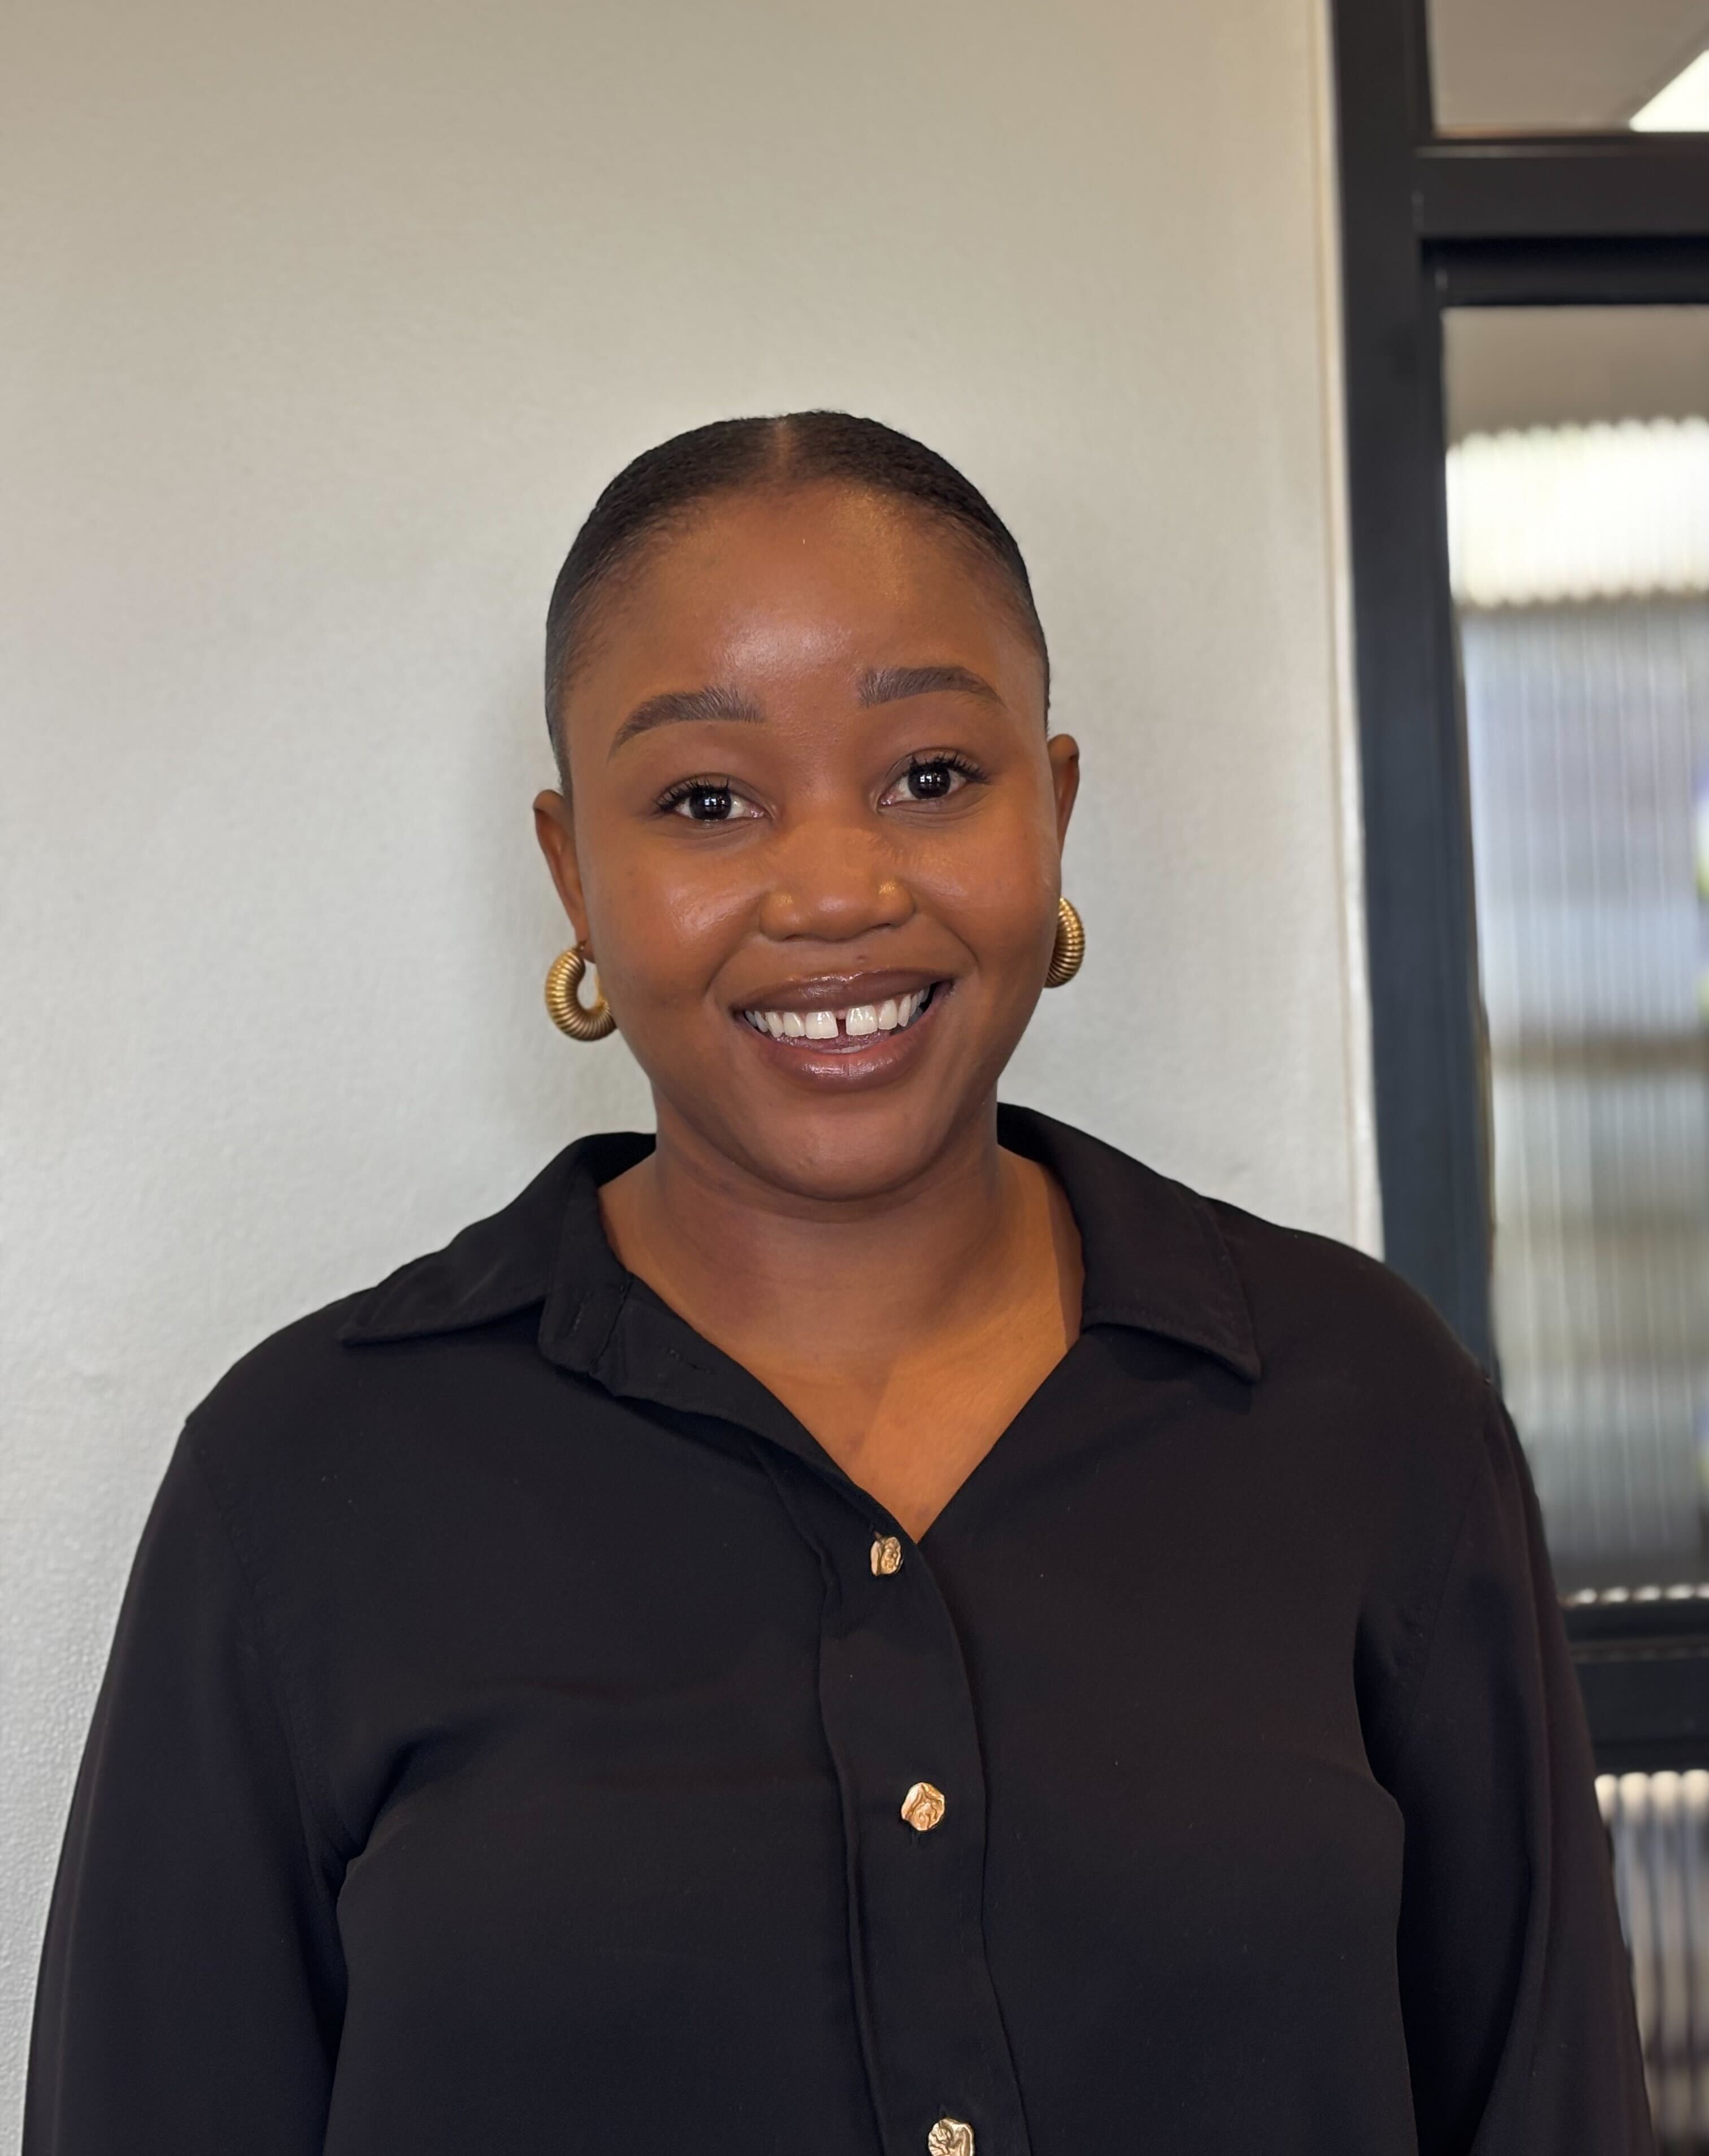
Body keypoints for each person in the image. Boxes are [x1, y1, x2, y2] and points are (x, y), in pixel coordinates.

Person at [24, 413, 1652, 2156]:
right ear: (575, 874)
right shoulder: (304, 1485)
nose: (834, 891)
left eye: (931, 777)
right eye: (706, 801)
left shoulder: (1362, 1411)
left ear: (1056, 808)